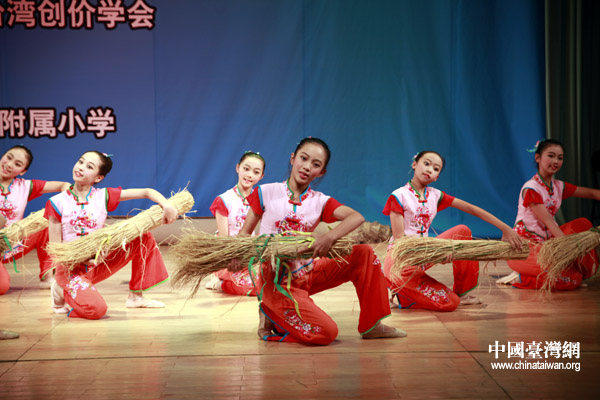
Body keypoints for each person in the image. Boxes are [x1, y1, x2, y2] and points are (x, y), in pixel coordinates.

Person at [231, 137, 406, 345]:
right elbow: (244, 234)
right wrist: (237, 258)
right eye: (303, 159)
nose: (307, 167)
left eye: (315, 164)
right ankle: (270, 313)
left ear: (321, 172)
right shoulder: (265, 192)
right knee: (326, 333)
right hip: (277, 282)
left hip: (308, 272)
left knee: (364, 254)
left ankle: (373, 325)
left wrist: (328, 238)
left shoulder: (320, 201)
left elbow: (356, 217)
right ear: (293, 158)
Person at [383, 150, 522, 311]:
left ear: (436, 177)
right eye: (426, 163)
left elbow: (471, 209)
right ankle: (399, 293)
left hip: (422, 256)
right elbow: (400, 242)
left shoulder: (435, 196)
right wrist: (438, 252)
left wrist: (505, 228)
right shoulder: (399, 196)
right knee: (449, 302)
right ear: (414, 164)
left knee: (462, 231)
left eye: (436, 169)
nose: (429, 170)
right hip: (401, 263)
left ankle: (462, 292)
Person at [45, 151, 178, 319]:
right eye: (80, 162)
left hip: (98, 262)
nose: (81, 167)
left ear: (98, 178)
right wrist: (82, 258)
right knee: (96, 310)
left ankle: (136, 297)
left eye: (89, 166)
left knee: (142, 237)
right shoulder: (56, 202)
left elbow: (147, 191)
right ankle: (60, 290)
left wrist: (167, 206)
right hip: (71, 270)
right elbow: (55, 250)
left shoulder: (103, 196)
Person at [500, 139, 600, 290]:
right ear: (538, 158)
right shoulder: (531, 188)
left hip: (548, 245)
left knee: (583, 224)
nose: (556, 161)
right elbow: (548, 222)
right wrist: (568, 247)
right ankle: (522, 277)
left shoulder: (558, 186)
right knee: (571, 279)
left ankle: (559, 270)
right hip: (525, 249)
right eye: (551, 156)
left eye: (560, 158)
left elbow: (592, 193)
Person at [0, 145, 70, 295]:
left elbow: (64, 185)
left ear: (22, 171)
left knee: (45, 222)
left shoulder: (25, 186)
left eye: (17, 164)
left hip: (13, 244)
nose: (9, 164)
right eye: (9, 157)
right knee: (2, 287)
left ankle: (47, 276)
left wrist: (66, 202)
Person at [205, 151, 265, 295]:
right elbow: (224, 240)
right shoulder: (224, 200)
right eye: (246, 169)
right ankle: (221, 283)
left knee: (267, 286)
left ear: (261, 176)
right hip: (227, 257)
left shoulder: (260, 200)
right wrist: (233, 257)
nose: (250, 175)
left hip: (247, 257)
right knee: (253, 288)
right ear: (238, 168)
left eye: (256, 172)